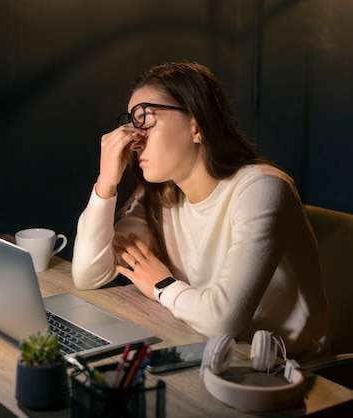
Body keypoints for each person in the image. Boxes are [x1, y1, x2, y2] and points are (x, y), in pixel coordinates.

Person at [71, 61, 331, 362]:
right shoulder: (160, 194)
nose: (134, 138)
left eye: (145, 121)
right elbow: (89, 274)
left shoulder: (263, 189)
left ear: (197, 125)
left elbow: (224, 320)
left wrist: (163, 285)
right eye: (131, 123)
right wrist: (106, 182)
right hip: (207, 351)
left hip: (289, 373)